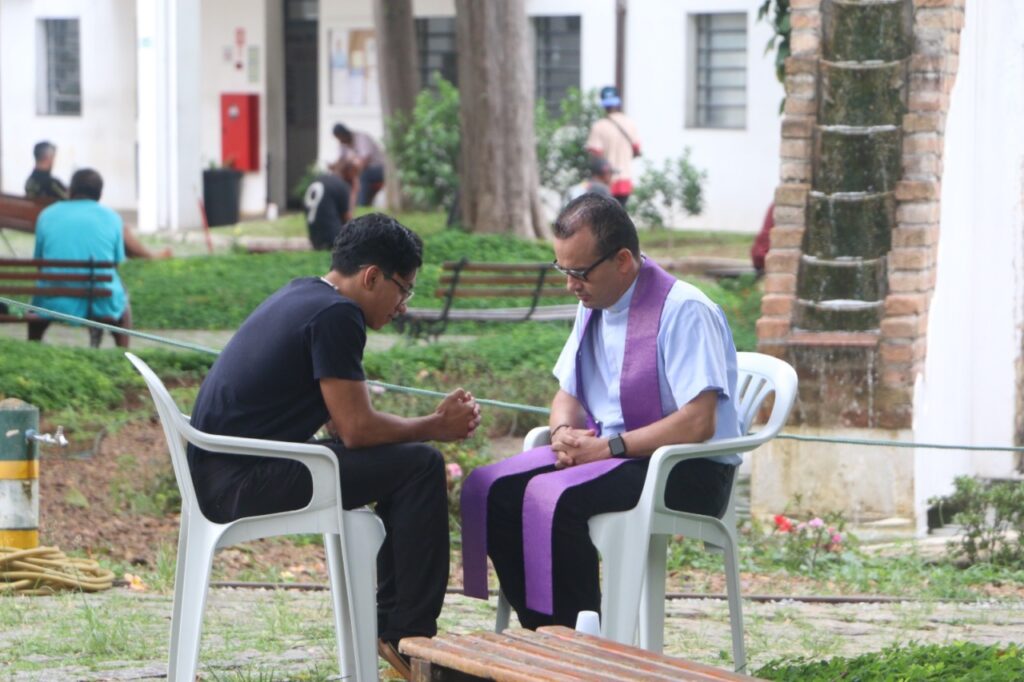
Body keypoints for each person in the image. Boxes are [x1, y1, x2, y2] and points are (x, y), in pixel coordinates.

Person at [186, 213, 481, 680]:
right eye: (404, 289)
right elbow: (358, 431)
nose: (403, 305)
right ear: (371, 277)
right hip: (243, 482)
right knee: (422, 465)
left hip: (222, 473)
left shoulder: (303, 292)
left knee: (406, 465)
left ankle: (395, 629)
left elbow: (343, 426)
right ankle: (410, 639)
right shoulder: (339, 314)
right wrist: (435, 424)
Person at [461, 193, 741, 629]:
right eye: (563, 270)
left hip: (687, 469)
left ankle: (581, 645)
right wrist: (561, 436)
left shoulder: (685, 310)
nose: (570, 284)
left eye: (579, 272)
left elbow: (698, 421)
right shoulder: (593, 304)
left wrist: (608, 448)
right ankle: (547, 632)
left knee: (560, 499)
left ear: (623, 260)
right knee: (492, 491)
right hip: (619, 455)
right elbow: (567, 394)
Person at [29, 169, 132, 347]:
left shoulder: (47, 214)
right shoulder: (113, 218)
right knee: (124, 305)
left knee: (37, 303)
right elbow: (115, 265)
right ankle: (123, 354)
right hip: (100, 301)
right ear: (100, 193)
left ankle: (33, 346)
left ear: (71, 190)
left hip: (53, 301)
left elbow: (39, 263)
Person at [585, 86, 642, 207]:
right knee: (620, 215)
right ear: (618, 102)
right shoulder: (630, 124)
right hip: (625, 180)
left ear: (603, 105)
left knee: (604, 217)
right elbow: (636, 149)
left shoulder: (599, 126)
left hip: (605, 181)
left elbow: (595, 155)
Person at [331, 123, 386, 207]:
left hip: (378, 169)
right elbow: (341, 160)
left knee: (363, 176)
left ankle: (362, 204)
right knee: (339, 178)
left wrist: (353, 172)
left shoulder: (362, 138)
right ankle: (344, 206)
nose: (340, 141)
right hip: (359, 170)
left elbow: (365, 160)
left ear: (345, 134)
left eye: (341, 138)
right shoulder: (343, 144)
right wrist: (336, 169)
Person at [303, 169, 354, 250]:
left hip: (314, 237)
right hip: (333, 238)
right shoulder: (342, 185)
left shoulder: (319, 180)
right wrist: (355, 191)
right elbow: (348, 219)